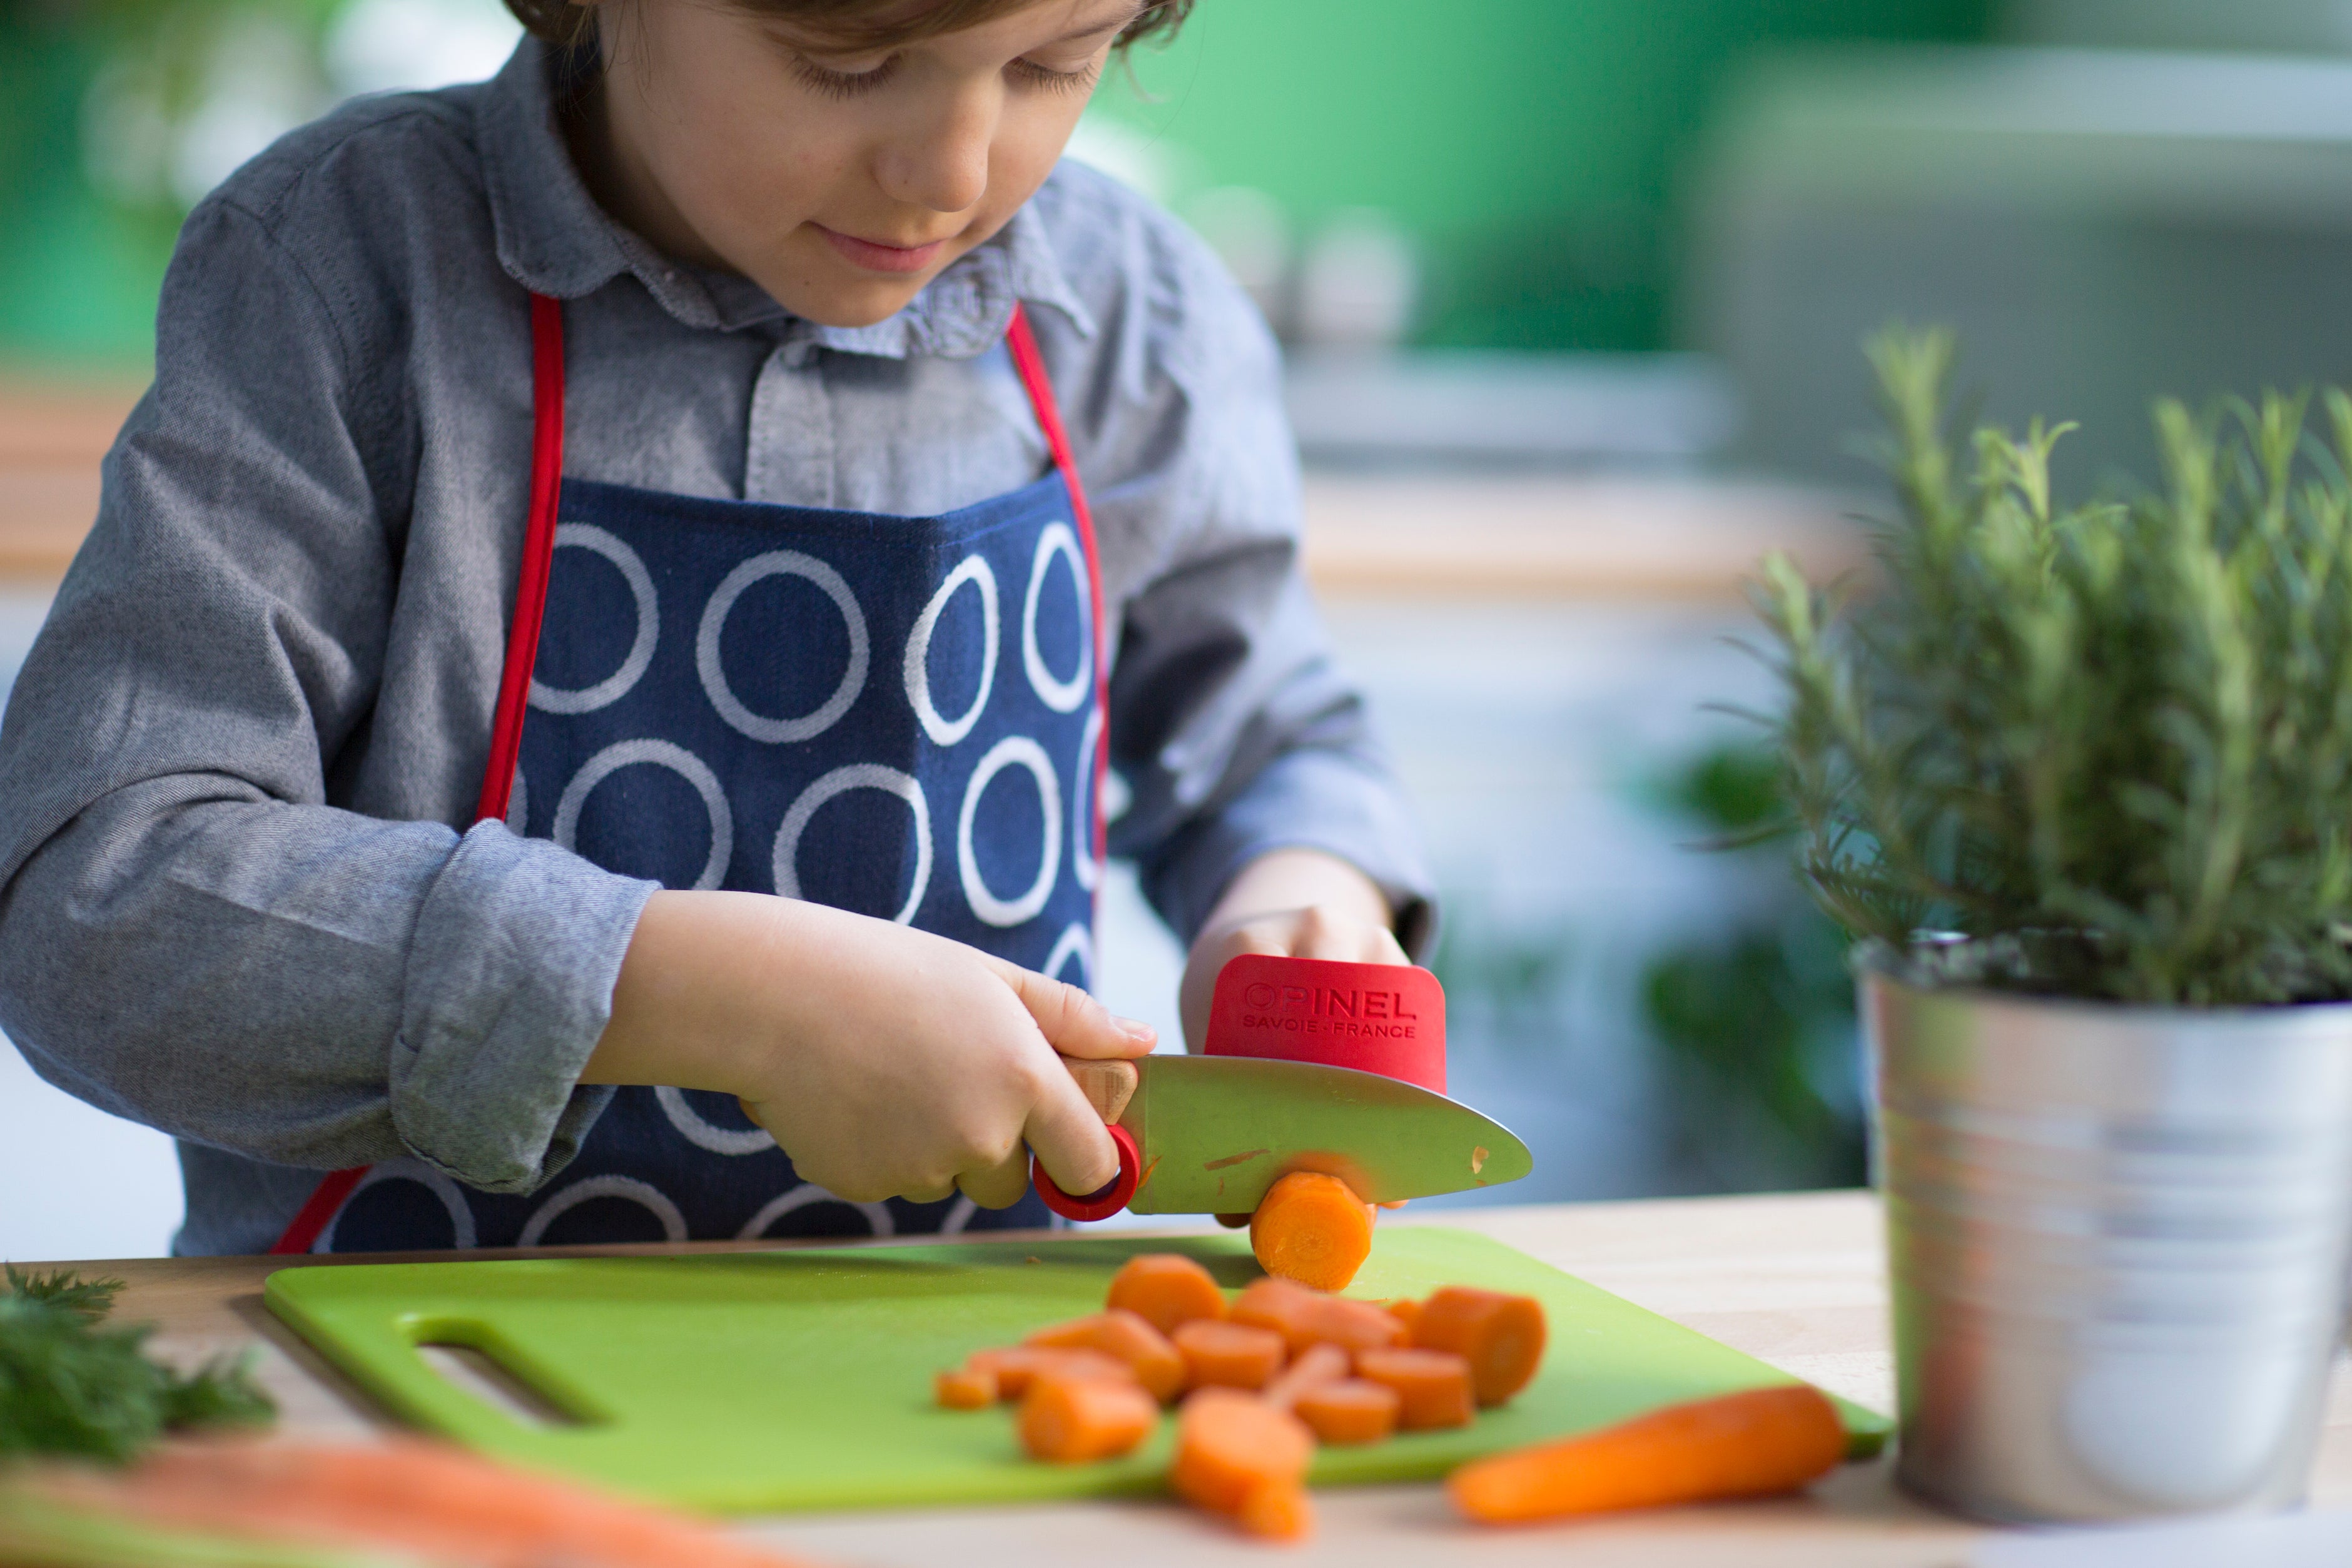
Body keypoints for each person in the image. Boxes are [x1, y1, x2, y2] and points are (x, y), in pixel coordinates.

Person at [0, 0, 1432, 1255]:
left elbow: (1269, 749)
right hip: (400, 1377)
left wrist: (1297, 895)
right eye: (852, 61)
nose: (947, 170)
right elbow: (98, 908)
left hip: (967, 1368)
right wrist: (713, 996)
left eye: (1054, 63)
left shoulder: (1136, 317)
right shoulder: (343, 266)